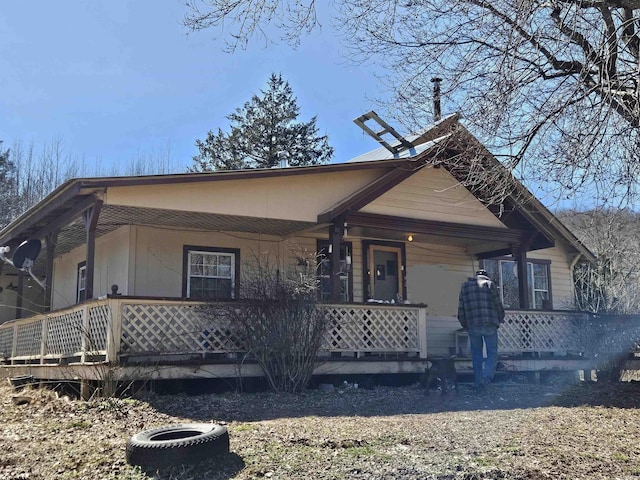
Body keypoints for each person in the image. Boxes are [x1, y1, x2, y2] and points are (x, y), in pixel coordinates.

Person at [457, 269, 505, 391]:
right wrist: (499, 319)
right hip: (489, 324)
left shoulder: (465, 287)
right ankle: (486, 378)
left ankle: (478, 381)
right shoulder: (490, 285)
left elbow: (461, 310)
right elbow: (498, 305)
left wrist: (465, 325)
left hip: (473, 325)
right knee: (492, 353)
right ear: (486, 276)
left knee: (476, 354)